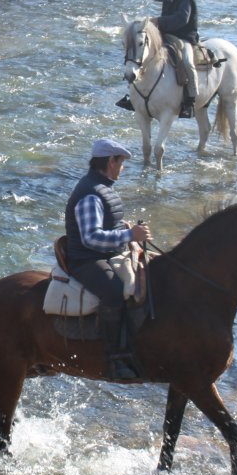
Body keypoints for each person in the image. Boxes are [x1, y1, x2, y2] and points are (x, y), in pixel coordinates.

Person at [63, 138, 152, 380]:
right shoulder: (90, 193)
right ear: (111, 161)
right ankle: (114, 359)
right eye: (121, 162)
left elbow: (106, 223)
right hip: (87, 260)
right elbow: (91, 237)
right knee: (114, 292)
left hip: (108, 252)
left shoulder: (102, 186)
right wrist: (129, 234)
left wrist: (124, 228)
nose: (122, 168)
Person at [120, 0, 199, 118]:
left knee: (187, 62)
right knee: (141, 55)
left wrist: (159, 21)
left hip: (183, 38)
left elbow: (182, 19)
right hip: (165, 34)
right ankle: (133, 96)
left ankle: (190, 100)